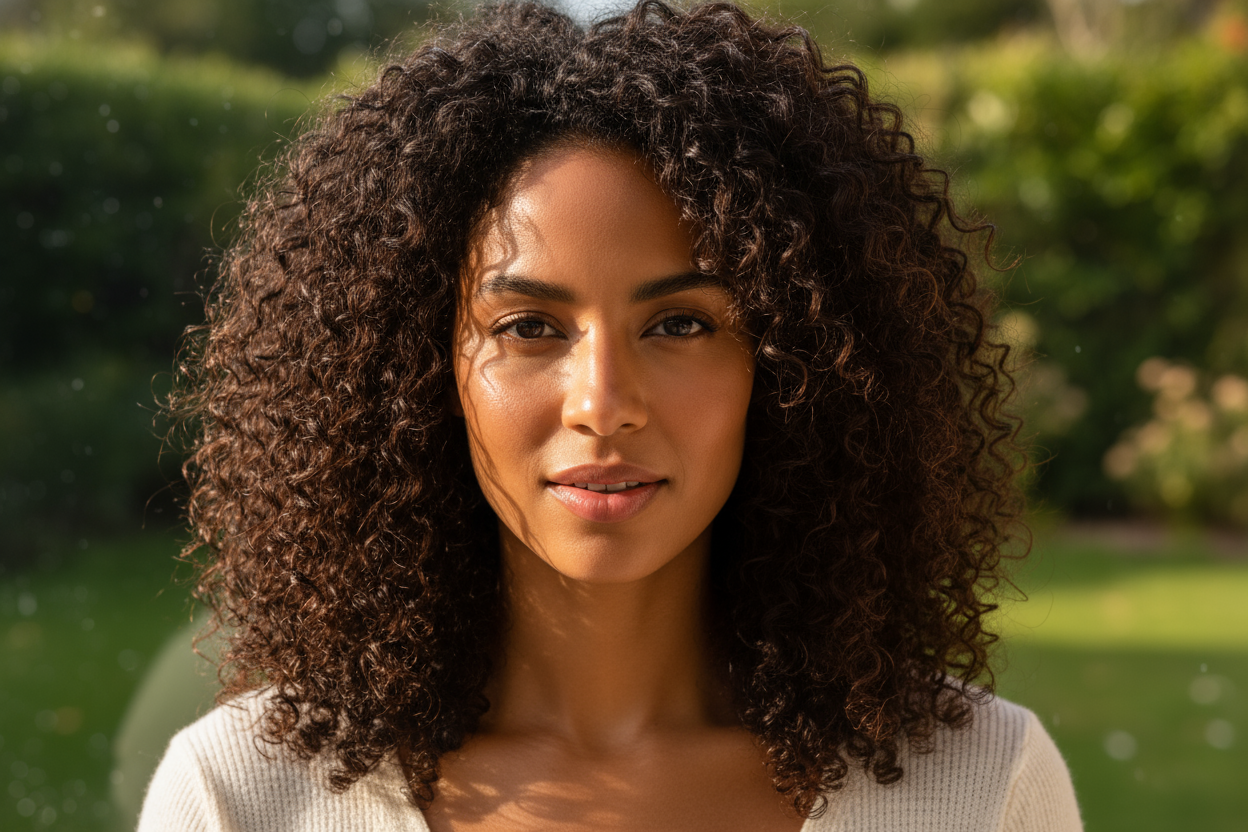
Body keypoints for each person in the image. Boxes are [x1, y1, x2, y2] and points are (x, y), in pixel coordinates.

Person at [140, 2, 1082, 830]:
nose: (603, 405)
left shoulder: (977, 786)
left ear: (802, 367)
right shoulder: (242, 798)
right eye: (529, 326)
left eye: (680, 323)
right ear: (418, 369)